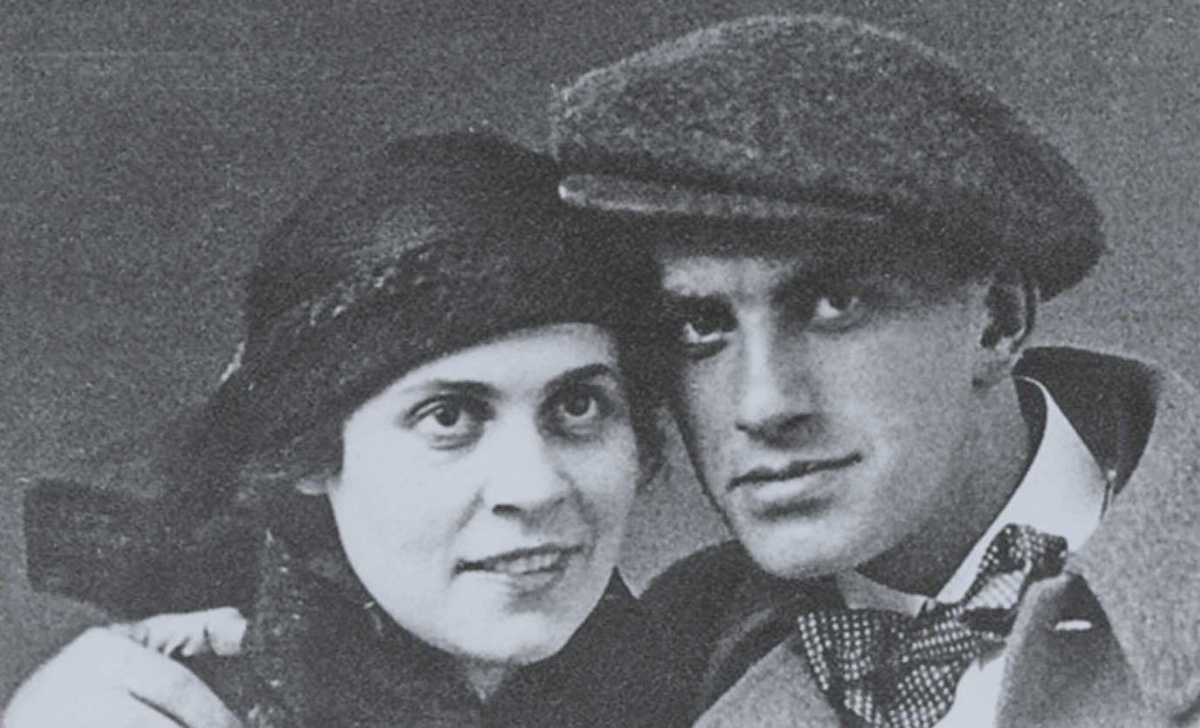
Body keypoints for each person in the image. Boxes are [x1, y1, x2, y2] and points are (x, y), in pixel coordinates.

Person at [547, 13, 1199, 728]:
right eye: (701, 327)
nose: (763, 404)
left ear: (998, 321)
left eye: (834, 305)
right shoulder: (658, 666)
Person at [4, 132, 688, 728]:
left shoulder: (705, 681)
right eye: (448, 417)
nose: (535, 488)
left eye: (578, 406)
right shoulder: (147, 712)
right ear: (311, 453)